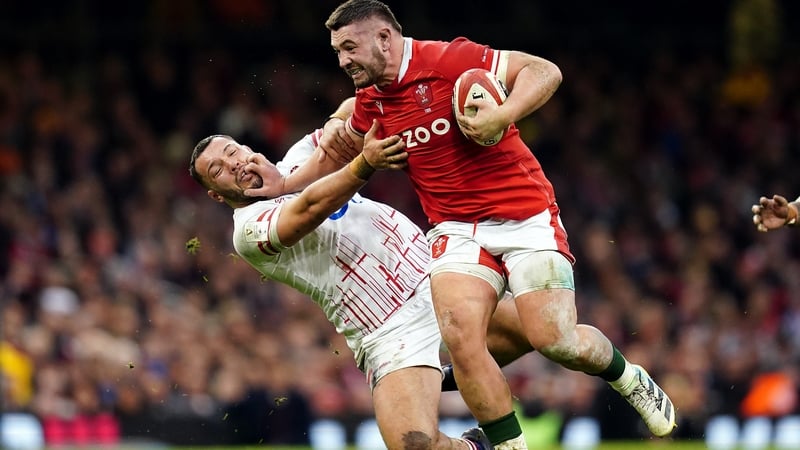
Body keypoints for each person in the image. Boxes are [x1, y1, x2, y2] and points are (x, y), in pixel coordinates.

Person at [249, 1, 677, 447]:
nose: (342, 61)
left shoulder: (448, 59)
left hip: (525, 215)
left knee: (555, 339)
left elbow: (544, 71)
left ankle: (628, 377)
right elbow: (334, 155)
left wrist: (502, 114)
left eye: (350, 47)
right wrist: (283, 181)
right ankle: (510, 445)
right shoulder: (371, 102)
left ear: (384, 38)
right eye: (338, 51)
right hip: (453, 229)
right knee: (460, 337)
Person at [188, 125, 495, 450]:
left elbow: (352, 115)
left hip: (432, 271)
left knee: (539, 332)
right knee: (414, 445)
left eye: (231, 152)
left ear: (247, 148)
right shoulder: (248, 232)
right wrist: (364, 162)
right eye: (217, 169)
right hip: (387, 327)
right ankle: (477, 446)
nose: (232, 163)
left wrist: (340, 122)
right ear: (216, 194)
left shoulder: (299, 162)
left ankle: (449, 375)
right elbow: (309, 208)